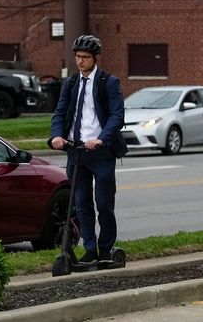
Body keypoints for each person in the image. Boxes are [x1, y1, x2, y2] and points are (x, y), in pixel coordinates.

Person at [50, 34, 126, 264]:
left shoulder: (108, 82)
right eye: (77, 57)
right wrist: (56, 135)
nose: (80, 61)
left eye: (85, 57)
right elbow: (60, 112)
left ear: (95, 58)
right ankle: (90, 248)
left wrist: (102, 138)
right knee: (81, 203)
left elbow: (117, 115)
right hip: (76, 151)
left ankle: (105, 248)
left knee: (103, 202)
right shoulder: (71, 83)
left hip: (100, 152)